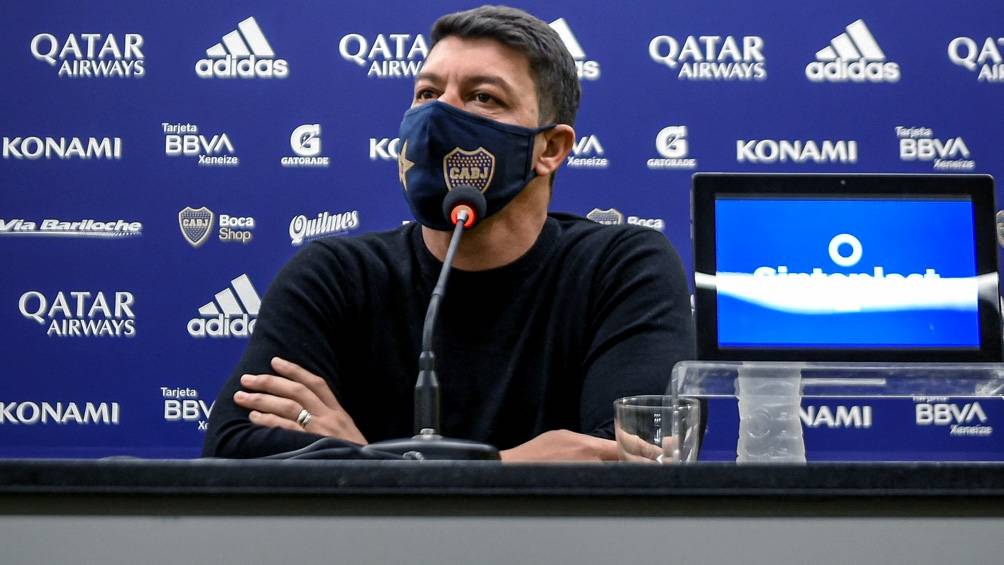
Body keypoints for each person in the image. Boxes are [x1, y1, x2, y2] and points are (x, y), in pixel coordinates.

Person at [202, 5, 694, 461]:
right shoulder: (334, 276)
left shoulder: (620, 268)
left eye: (483, 97)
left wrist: (365, 461)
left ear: (550, 148)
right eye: (427, 93)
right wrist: (506, 466)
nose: (440, 115)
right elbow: (235, 447)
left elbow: (635, 457)